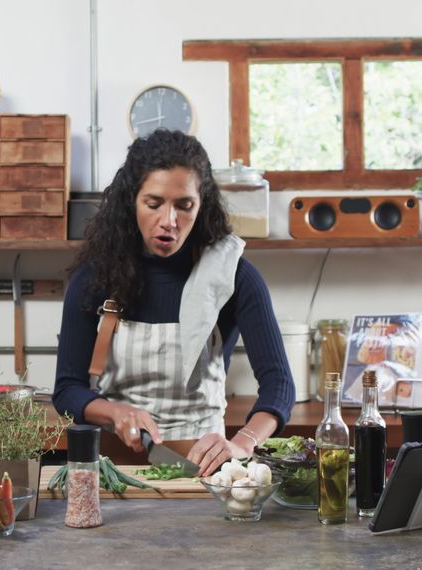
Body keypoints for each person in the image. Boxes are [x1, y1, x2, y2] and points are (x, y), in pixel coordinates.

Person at [53, 129, 295, 476]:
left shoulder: (234, 277)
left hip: (204, 472)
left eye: (185, 206)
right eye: (153, 204)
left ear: (202, 205)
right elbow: (67, 390)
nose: (169, 221)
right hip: (113, 473)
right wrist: (116, 413)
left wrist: (243, 441)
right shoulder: (96, 278)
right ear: (131, 201)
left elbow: (279, 384)